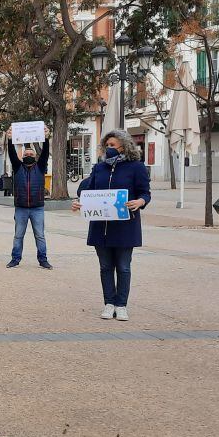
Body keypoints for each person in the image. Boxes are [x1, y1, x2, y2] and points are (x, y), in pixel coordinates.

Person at [73, 130, 151, 322]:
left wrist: (140, 201)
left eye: (113, 146)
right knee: (105, 267)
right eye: (107, 146)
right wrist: (79, 202)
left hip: (125, 226)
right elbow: (88, 191)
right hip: (102, 227)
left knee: (123, 267)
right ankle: (109, 303)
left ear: (124, 147)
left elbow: (145, 193)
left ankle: (121, 305)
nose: (109, 149)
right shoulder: (99, 168)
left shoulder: (136, 167)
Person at [5, 124, 53, 269]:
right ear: (23, 156)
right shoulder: (17, 166)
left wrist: (46, 138)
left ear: (35, 156)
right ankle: (15, 259)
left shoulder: (40, 166)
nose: (29, 155)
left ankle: (43, 260)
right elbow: (12, 153)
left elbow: (45, 152)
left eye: (31, 154)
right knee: (18, 235)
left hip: (37, 208)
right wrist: (10, 139)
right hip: (21, 208)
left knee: (40, 236)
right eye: (26, 154)